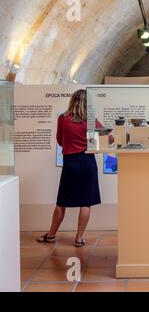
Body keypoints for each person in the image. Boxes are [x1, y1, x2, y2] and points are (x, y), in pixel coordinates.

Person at [37, 89, 101, 248]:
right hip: (88, 162)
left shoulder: (63, 118)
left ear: (72, 100)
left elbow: (59, 140)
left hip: (70, 163)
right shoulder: (91, 120)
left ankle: (51, 235)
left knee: (62, 202)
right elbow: (110, 137)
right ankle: (79, 239)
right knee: (85, 203)